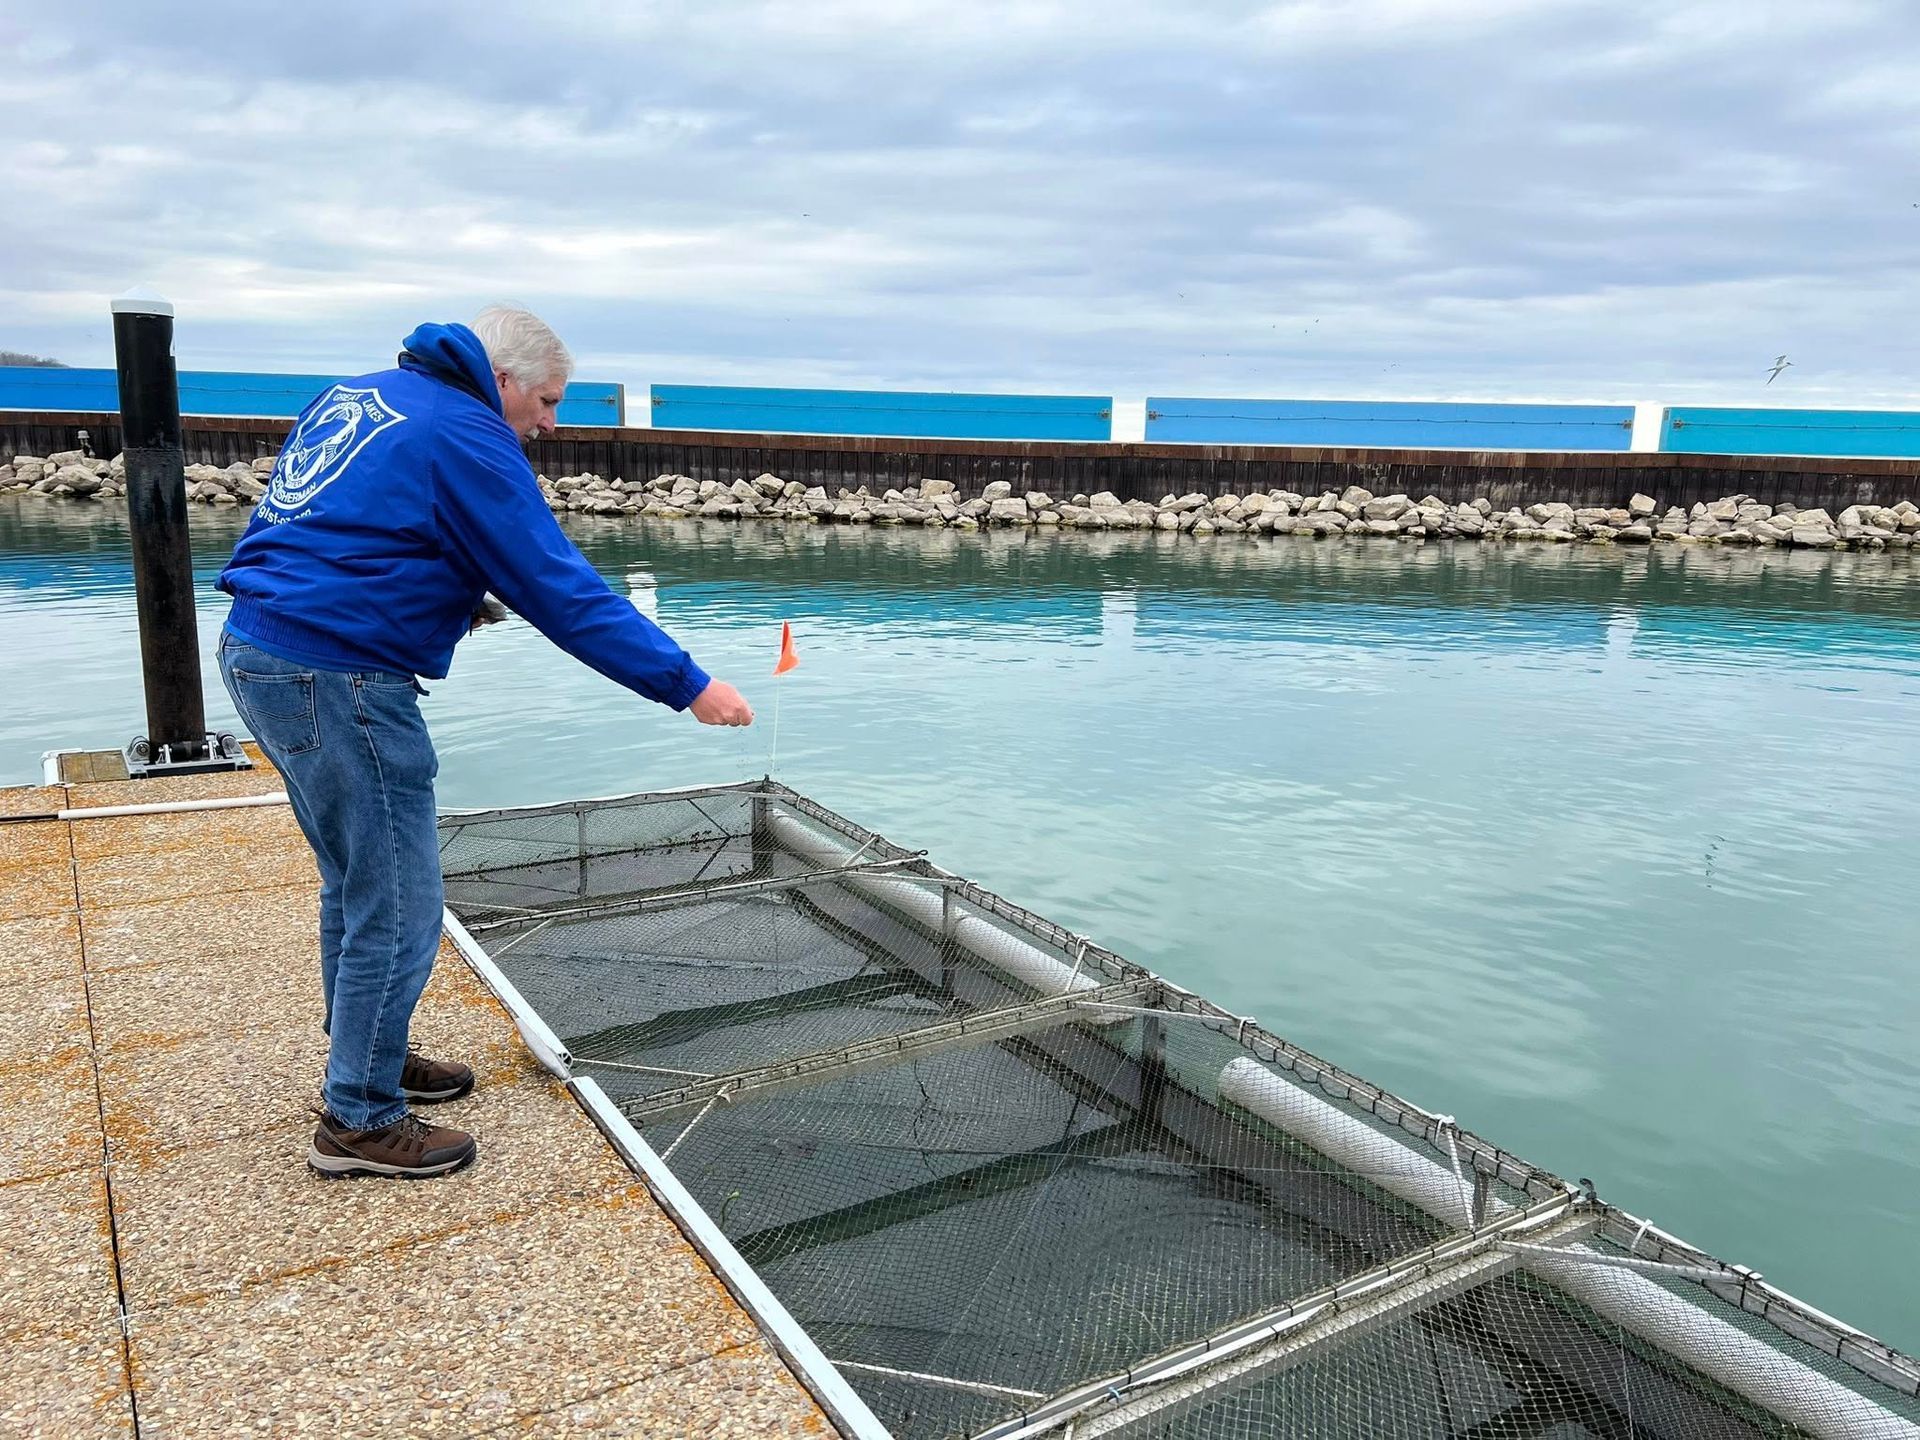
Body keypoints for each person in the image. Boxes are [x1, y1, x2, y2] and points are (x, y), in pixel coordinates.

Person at [216, 306, 752, 1179]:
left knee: (356, 882)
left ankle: (369, 1059)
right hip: (337, 674)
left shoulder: (368, 394)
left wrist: (447, 589)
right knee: (397, 900)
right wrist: (688, 684)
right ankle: (358, 1120)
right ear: (500, 380)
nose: (551, 422)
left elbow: (341, 524)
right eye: (545, 401)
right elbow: (557, 586)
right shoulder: (466, 430)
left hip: (262, 645)